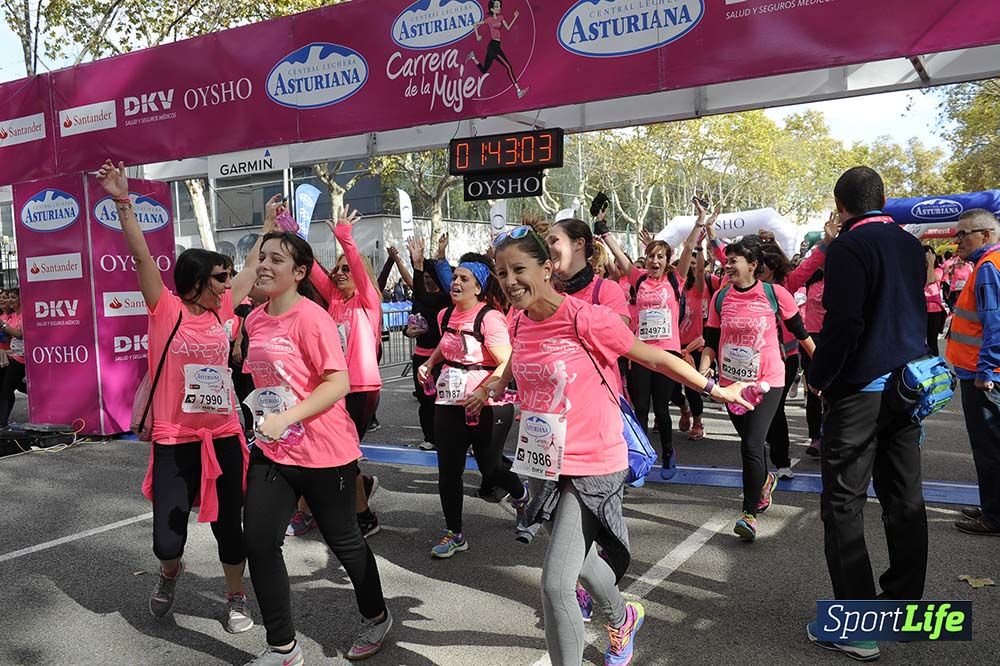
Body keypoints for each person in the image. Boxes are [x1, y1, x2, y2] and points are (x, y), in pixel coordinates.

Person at [486, 226, 749, 666]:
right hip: (545, 461)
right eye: (501, 273)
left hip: (594, 461)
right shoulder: (516, 320)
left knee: (555, 584)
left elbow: (653, 356)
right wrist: (494, 383)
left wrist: (712, 388)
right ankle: (622, 618)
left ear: (547, 269)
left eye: (519, 269)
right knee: (585, 563)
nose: (510, 281)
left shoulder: (583, 317)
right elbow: (516, 363)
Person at [95, 159, 261, 632]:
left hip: (225, 435)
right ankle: (170, 573)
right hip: (175, 440)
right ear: (196, 281)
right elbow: (143, 259)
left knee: (231, 527)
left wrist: (269, 227)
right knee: (168, 541)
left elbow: (250, 272)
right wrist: (122, 201)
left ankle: (235, 597)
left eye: (229, 279)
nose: (230, 286)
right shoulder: (165, 309)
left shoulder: (220, 312)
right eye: (220, 278)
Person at [242, 230, 391, 665]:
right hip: (273, 452)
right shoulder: (255, 319)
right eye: (262, 258)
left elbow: (338, 383)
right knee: (258, 541)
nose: (265, 266)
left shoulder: (312, 318)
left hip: (325, 453)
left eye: (277, 260)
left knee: (345, 542)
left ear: (300, 272)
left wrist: (286, 418)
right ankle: (283, 647)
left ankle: (377, 615)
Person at [806, 167, 929, 661]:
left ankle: (856, 626)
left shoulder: (848, 248)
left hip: (860, 390)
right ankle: (904, 607)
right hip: (908, 385)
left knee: (843, 503)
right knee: (904, 498)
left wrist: (819, 376)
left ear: (841, 206)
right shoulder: (907, 245)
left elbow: (845, 323)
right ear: (884, 199)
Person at [700, 238, 814, 541]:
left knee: (751, 444)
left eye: (734, 259)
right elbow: (710, 341)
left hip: (768, 381)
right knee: (750, 442)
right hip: (731, 383)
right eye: (727, 260)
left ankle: (749, 514)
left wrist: (823, 370)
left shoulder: (774, 294)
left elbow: (802, 336)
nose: (728, 264)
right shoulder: (720, 298)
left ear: (753, 265)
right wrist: (702, 371)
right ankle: (765, 479)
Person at [416, 254, 528, 558]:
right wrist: (429, 363)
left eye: (464, 279)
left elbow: (507, 361)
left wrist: (482, 392)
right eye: (454, 278)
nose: (455, 283)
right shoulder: (445, 316)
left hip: (489, 403)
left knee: (490, 469)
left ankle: (520, 496)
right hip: (450, 401)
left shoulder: (490, 318)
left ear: (478, 287)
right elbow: (447, 345)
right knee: (447, 469)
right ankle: (454, 533)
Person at [603, 208, 703, 478]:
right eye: (651, 256)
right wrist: (604, 230)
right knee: (642, 408)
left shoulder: (675, 279)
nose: (654, 261)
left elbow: (689, 247)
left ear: (667, 260)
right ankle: (642, 456)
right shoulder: (639, 279)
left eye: (660, 257)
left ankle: (669, 451)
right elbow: (621, 258)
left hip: (668, 352)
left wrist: (700, 222)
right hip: (641, 353)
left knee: (661, 408)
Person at [302, 205, 382, 538]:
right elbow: (309, 268)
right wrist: (288, 226)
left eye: (346, 268)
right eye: (337, 268)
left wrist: (345, 237)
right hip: (335, 388)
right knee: (333, 450)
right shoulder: (334, 300)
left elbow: (358, 273)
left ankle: (364, 517)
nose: (339, 273)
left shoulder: (368, 300)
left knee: (343, 453)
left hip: (361, 390)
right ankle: (360, 487)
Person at [758, 220, 834, 478]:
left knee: (775, 408)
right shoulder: (744, 288)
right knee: (758, 408)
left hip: (786, 356)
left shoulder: (787, 284)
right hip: (754, 360)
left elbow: (810, 264)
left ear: (772, 267)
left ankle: (781, 463)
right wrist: (710, 237)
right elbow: (728, 258)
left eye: (763, 265)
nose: (757, 270)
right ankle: (763, 450)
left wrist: (825, 241)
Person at [945, 209, 1000, 537]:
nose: (958, 239)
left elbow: (995, 323)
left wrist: (986, 369)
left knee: (988, 448)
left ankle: (993, 517)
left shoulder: (988, 268)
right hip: (981, 370)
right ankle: (992, 505)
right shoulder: (990, 263)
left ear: (985, 235)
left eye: (964, 234)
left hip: (981, 375)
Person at [405, 236, 451, 451]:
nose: (426, 280)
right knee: (425, 400)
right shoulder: (419, 300)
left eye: (429, 276)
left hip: (443, 358)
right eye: (424, 278)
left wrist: (419, 265)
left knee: (443, 400)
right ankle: (429, 437)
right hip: (421, 357)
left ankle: (447, 437)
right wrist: (410, 332)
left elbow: (425, 295)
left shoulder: (446, 298)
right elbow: (410, 325)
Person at [467, 0, 528, 99]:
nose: (499, 8)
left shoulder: (501, 17)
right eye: (496, 6)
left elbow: (507, 28)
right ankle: (518, 91)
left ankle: (473, 57)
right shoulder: (489, 20)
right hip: (493, 47)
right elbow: (475, 24)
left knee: (484, 70)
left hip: (496, 45)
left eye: (499, 6)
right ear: (492, 9)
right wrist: (477, 36)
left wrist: (515, 17)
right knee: (508, 67)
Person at [0, 288, 24, 428]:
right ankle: (3, 421)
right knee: (8, 388)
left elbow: (20, 335)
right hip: (12, 356)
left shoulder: (23, 315)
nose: (9, 300)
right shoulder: (13, 315)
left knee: (7, 389)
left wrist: (3, 326)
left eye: (12, 297)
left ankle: (2, 422)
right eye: (7, 297)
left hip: (22, 358)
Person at [924, 246, 947, 356]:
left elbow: (930, 279)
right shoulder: (916, 271)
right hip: (920, 309)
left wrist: (930, 262)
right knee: (919, 342)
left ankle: (936, 368)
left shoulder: (938, 270)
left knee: (932, 342)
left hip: (934, 310)